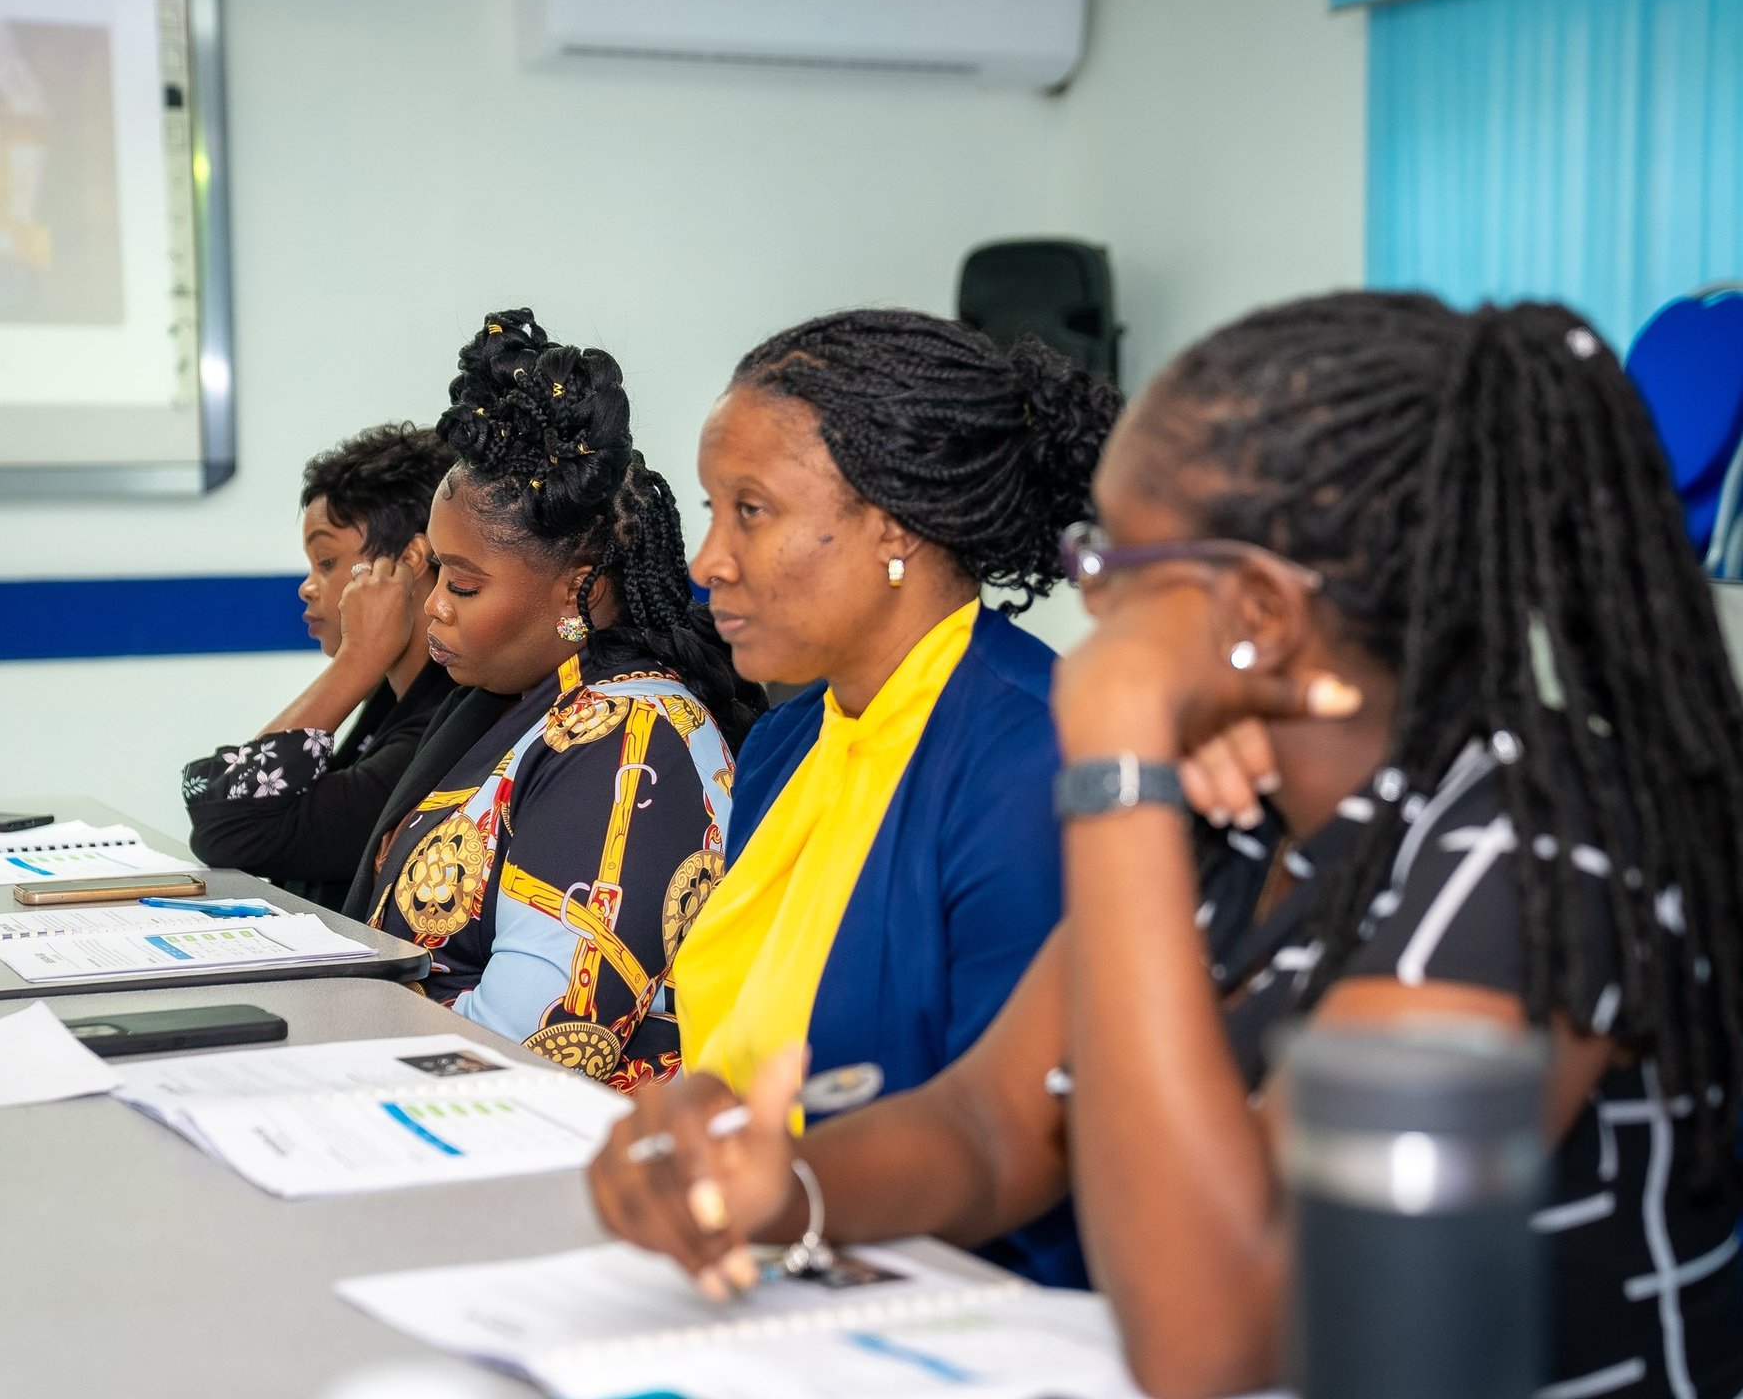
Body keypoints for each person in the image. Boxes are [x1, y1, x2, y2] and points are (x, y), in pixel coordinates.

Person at [587, 294, 1743, 1399]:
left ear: (1259, 619)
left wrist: (1122, 769)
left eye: (1118, 572)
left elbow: (1218, 1329)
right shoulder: (1243, 826)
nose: (1091, 611)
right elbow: (991, 1127)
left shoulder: (1538, 844)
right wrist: (777, 1182)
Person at [668, 308, 1119, 1285]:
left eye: (751, 511)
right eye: (713, 510)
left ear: (894, 526)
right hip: (763, 1258)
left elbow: (1025, 1152)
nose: (707, 562)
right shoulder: (787, 742)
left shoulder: (1036, 760)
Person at [345, 310, 763, 1093]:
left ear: (580, 590)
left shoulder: (631, 739)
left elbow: (533, 1047)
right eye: (436, 574)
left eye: (463, 584)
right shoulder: (524, 703)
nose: (434, 605)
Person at [182, 423, 456, 908]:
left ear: (411, 558)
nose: (307, 587)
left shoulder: (449, 725)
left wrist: (358, 658)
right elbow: (210, 790)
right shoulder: (396, 699)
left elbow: (227, 827)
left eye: (326, 562)